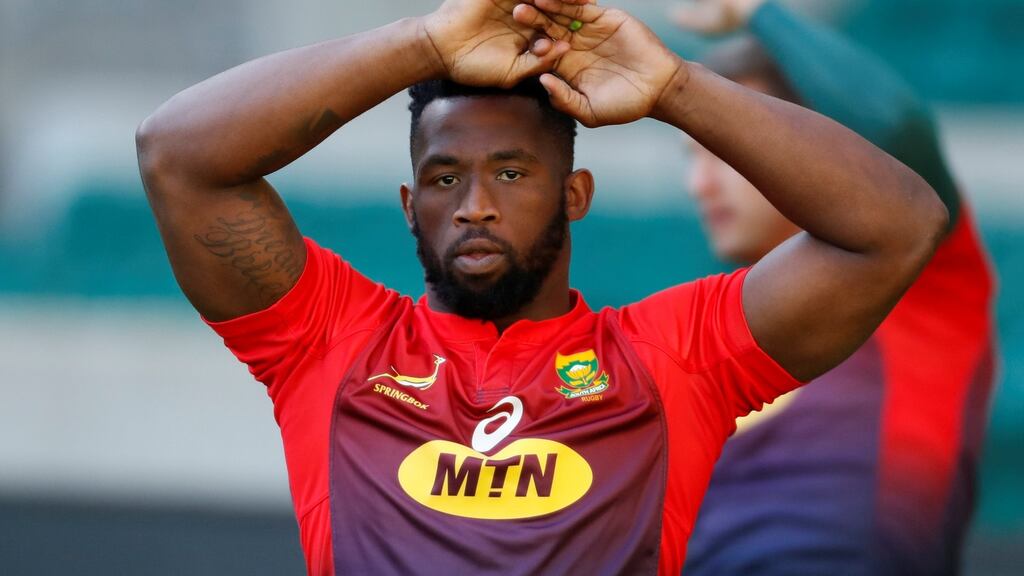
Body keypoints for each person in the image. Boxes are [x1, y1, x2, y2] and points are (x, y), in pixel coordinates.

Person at [135, 0, 948, 574]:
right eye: (445, 177)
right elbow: (177, 154)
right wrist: (424, 40)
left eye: (513, 173)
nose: (476, 206)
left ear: (575, 194)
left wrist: (673, 89)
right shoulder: (329, 339)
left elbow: (899, 226)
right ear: (410, 206)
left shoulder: (674, 356)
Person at [671, 1, 997, 574]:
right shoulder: (710, 335)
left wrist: (760, 12)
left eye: (724, 153)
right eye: (692, 157)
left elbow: (893, 128)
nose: (699, 184)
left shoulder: (919, 277)